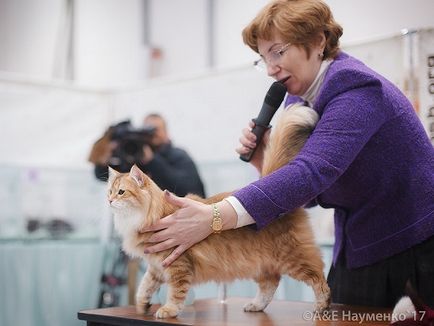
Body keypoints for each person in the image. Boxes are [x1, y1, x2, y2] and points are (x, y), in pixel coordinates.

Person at [141, 0, 434, 308]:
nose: (270, 68)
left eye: (278, 52)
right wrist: (264, 161)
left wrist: (214, 217)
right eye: (263, 58)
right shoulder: (296, 101)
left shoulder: (356, 89)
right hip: (358, 241)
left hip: (414, 244)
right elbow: (305, 193)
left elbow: (311, 173)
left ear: (318, 41)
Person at [89, 113, 205, 197]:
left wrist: (152, 160)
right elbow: (103, 176)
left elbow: (189, 189)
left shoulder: (178, 155)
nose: (152, 133)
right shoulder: (137, 158)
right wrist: (104, 160)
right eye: (147, 129)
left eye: (156, 129)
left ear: (166, 133)